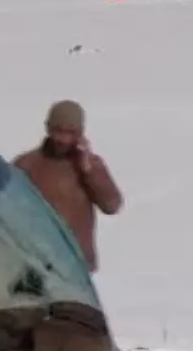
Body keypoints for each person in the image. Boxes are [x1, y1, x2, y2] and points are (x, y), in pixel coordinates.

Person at [13, 100, 122, 273]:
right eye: (58, 131)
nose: (63, 139)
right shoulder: (26, 165)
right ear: (48, 128)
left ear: (80, 133)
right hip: (36, 264)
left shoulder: (90, 166)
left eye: (71, 132)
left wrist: (89, 171)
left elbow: (112, 205)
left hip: (76, 267)